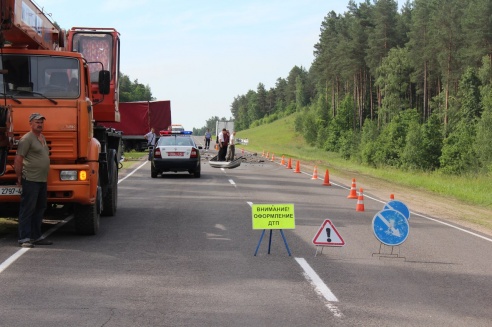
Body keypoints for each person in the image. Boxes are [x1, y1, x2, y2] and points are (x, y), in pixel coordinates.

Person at [14, 113, 52, 248]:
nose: (40, 124)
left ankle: (36, 236)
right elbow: (18, 158)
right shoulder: (27, 139)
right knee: (28, 208)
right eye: (37, 122)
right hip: (30, 178)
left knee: (40, 208)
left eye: (41, 122)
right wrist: (19, 176)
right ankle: (24, 238)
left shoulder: (42, 137)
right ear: (30, 123)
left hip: (42, 179)